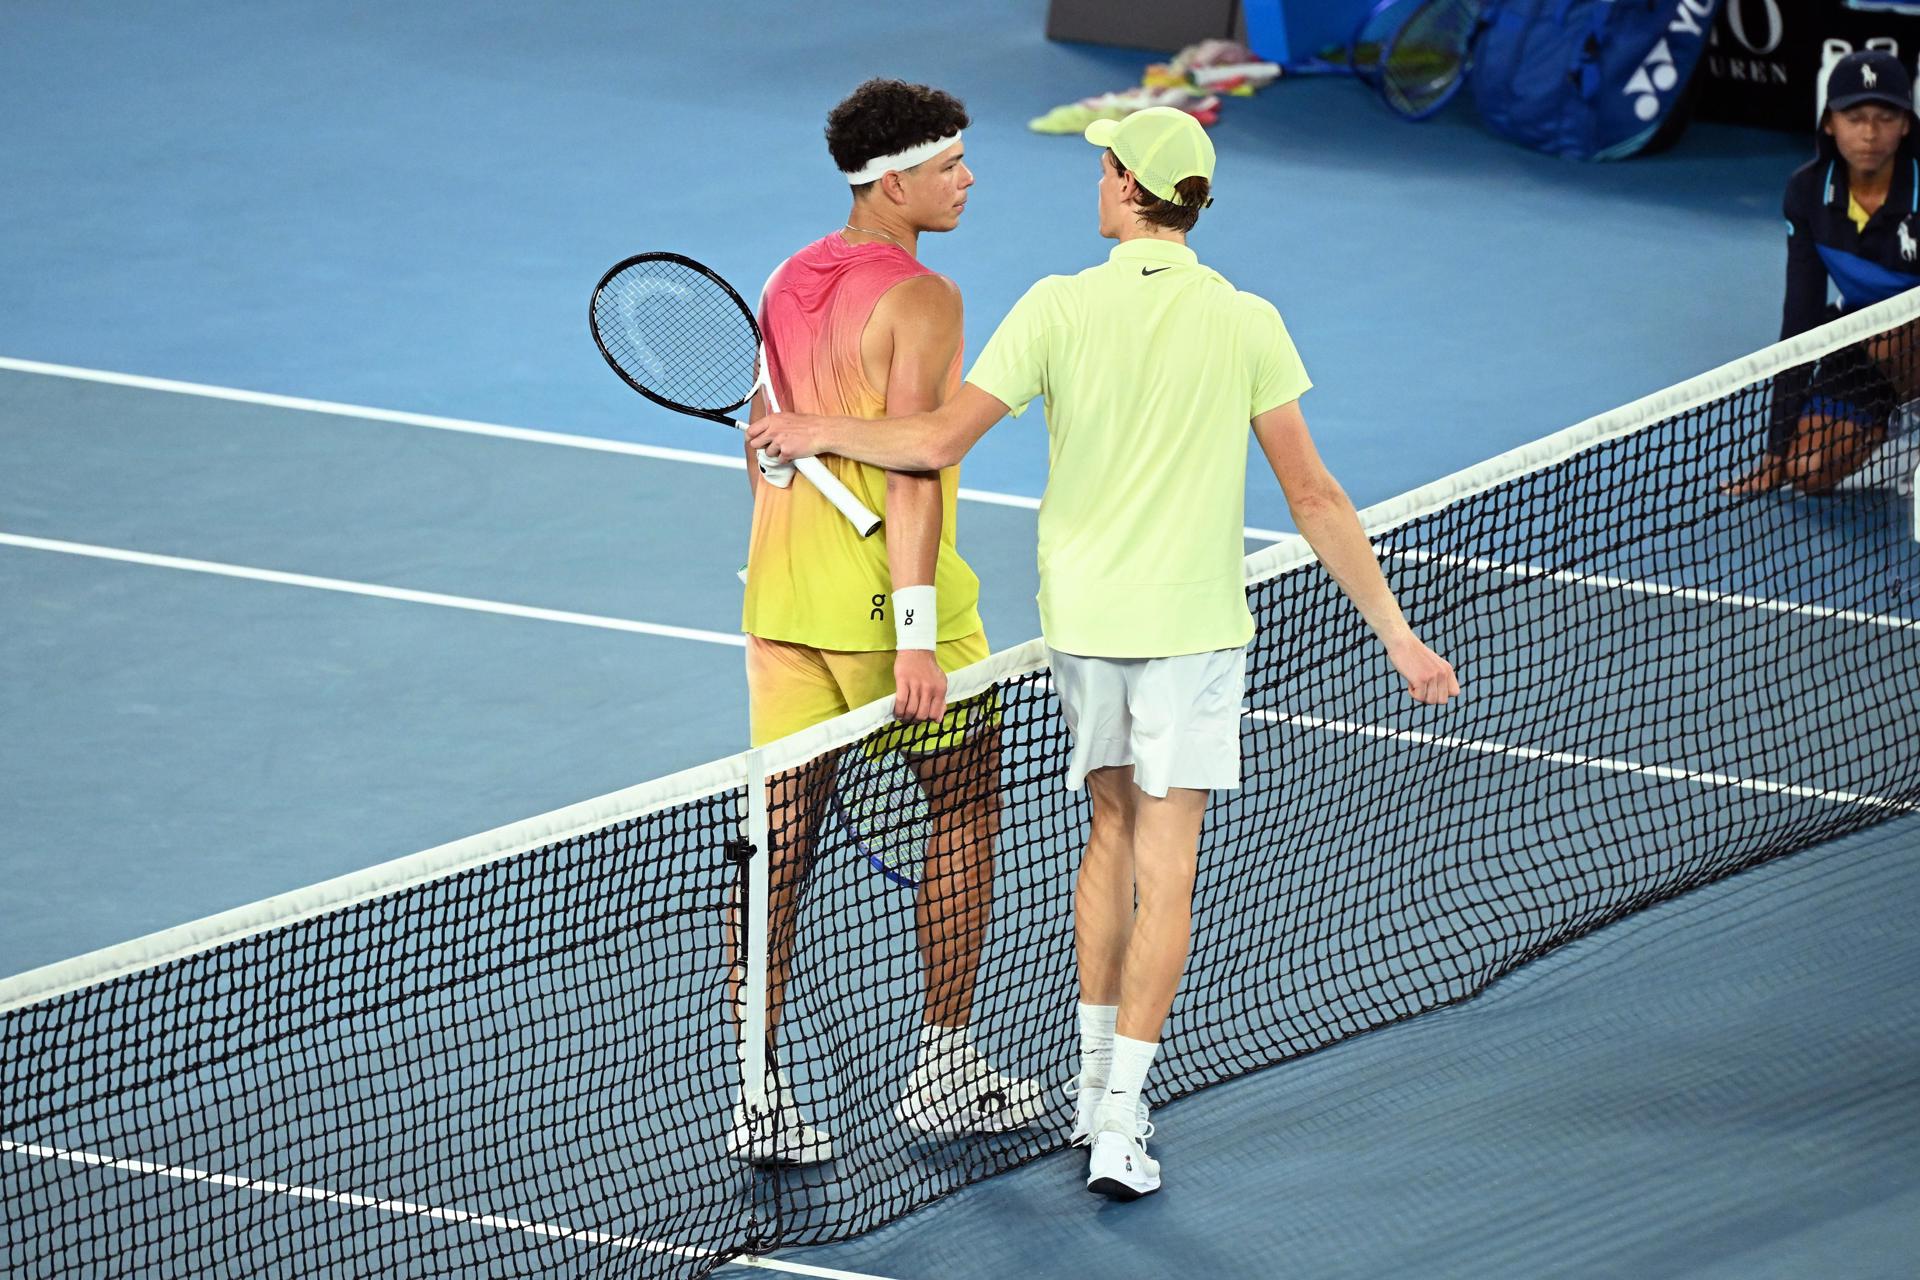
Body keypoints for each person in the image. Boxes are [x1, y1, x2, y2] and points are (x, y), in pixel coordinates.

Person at [749, 106, 1460, 1198]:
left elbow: (932, 444)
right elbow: (1311, 495)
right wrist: (1399, 635)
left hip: (1077, 623)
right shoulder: (1248, 319)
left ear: (1129, 188)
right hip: (1189, 629)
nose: (1091, 183)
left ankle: (1035, 1077)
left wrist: (811, 433)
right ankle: (1114, 1113)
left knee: (1102, 836)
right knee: (1161, 862)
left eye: (1104, 168)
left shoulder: (1051, 306)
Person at [727, 78, 1042, 1167]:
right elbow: (917, 469)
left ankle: (756, 1093)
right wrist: (914, 632)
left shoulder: (784, 275)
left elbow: (767, 441)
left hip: (779, 599)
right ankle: (943, 1070)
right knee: (965, 807)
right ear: (894, 180)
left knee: (778, 846)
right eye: (952, 164)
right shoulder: (927, 296)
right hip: (892, 611)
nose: (967, 179)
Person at [1727, 49, 1920, 496]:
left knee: (1892, 334)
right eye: (1855, 117)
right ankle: (1893, 430)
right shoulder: (1808, 192)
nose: (1870, 133)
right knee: (1809, 469)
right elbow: (1801, 318)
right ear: (1830, 123)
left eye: (1884, 116)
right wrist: (1775, 454)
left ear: (1906, 124)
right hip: (1862, 337)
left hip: (1907, 339)